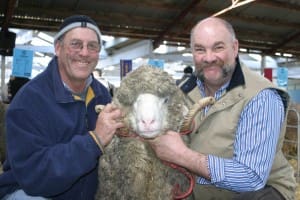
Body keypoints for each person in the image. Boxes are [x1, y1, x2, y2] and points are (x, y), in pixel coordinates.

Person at [149, 17, 297, 200]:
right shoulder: (184, 91)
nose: (209, 58)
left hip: (259, 192)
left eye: (218, 47)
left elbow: (250, 178)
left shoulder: (261, 97)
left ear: (235, 48)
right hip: (200, 189)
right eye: (200, 49)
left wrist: (181, 155)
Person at [0, 15, 124, 199]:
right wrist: (94, 141)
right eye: (75, 44)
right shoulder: (29, 100)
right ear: (58, 48)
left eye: (92, 46)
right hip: (32, 192)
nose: (84, 52)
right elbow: (35, 177)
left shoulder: (102, 95)